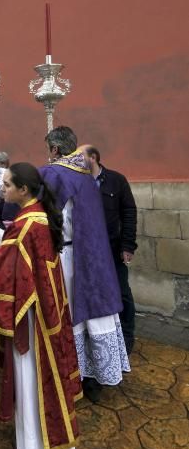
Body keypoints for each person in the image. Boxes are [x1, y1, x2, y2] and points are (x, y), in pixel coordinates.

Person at [0, 163, 81, 449]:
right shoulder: (34, 217)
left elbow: (3, 263)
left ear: (24, 190)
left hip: (31, 324)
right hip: (44, 317)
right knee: (43, 384)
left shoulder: (29, 223)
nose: (2, 190)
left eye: (7, 185)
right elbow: (12, 248)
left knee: (34, 386)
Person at [39, 126, 130, 403]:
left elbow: (34, 212)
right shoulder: (88, 175)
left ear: (55, 149)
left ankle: (72, 376)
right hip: (93, 256)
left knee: (71, 317)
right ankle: (94, 378)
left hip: (66, 257)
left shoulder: (53, 173)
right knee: (92, 314)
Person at [83, 145, 137, 354]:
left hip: (113, 249)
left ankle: (127, 336)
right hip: (89, 251)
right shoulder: (80, 183)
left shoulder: (117, 180)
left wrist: (127, 245)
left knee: (122, 293)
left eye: (81, 157)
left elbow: (129, 213)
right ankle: (102, 336)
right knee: (95, 293)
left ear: (94, 158)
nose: (77, 162)